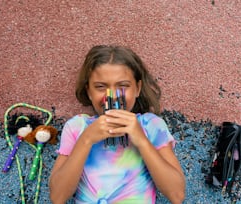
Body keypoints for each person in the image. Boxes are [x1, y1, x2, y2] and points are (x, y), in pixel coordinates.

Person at [49, 45, 185, 204]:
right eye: (100, 87)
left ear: (137, 88)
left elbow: (177, 195)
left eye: (123, 86)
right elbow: (57, 197)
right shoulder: (77, 127)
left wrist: (141, 140)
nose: (111, 97)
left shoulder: (151, 126)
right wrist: (86, 140)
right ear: (89, 91)